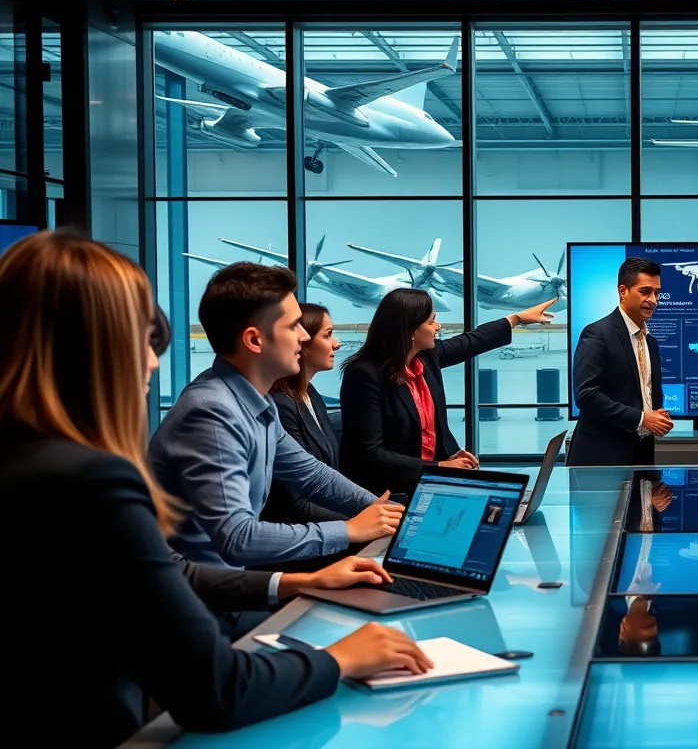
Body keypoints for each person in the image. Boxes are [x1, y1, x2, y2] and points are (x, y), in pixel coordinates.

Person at [0, 231, 430, 748]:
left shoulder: (33, 461)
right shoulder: (95, 477)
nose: (153, 362)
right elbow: (215, 688)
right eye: (143, 341)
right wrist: (340, 658)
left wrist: (299, 579)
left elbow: (177, 563)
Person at [149, 262, 406, 572]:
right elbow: (238, 539)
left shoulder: (258, 403)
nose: (304, 336)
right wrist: (348, 530)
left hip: (233, 583)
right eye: (293, 326)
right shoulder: (212, 413)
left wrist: (386, 510)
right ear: (254, 340)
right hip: (200, 593)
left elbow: (312, 475)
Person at [339, 289, 556, 497]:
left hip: (429, 482)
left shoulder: (426, 358)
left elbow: (471, 341)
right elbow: (370, 454)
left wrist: (516, 319)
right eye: (431, 321)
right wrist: (440, 466)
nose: (438, 326)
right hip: (388, 492)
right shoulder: (364, 375)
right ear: (411, 330)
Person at [568, 257, 673, 467]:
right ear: (623, 291)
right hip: (602, 458)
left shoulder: (650, 341)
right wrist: (642, 418)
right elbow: (587, 396)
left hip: (642, 453)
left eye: (657, 293)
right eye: (645, 292)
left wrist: (655, 415)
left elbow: (642, 393)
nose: (654, 300)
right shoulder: (597, 334)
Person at [265, 302, 344, 525]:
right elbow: (293, 503)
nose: (337, 344)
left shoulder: (310, 394)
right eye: (327, 335)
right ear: (302, 344)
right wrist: (355, 522)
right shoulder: (280, 405)